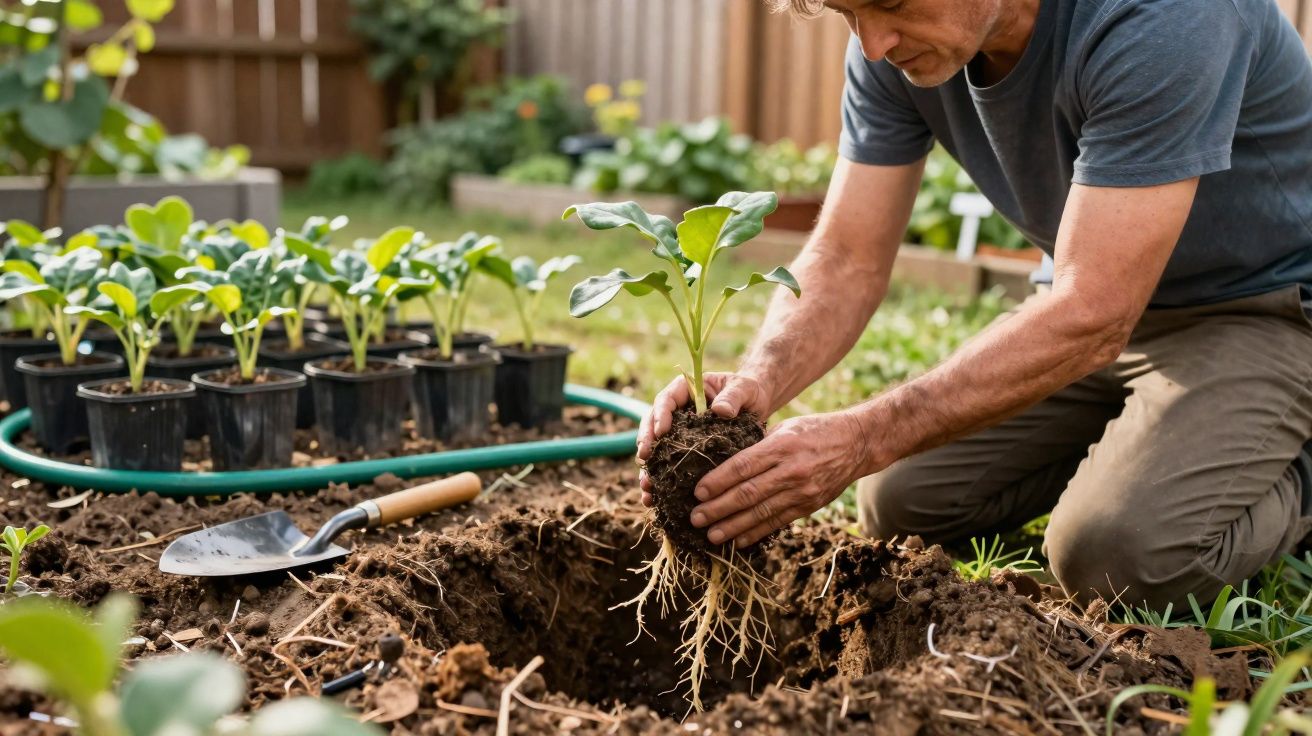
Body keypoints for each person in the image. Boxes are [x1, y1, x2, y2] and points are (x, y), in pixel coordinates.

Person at [636, 0, 1312, 609]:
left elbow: (1094, 311)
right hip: (1091, 311)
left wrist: (864, 434)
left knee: (1114, 557)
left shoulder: (1164, 18)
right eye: (850, 13)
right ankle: (1158, 438)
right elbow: (846, 257)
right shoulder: (892, 49)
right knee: (901, 499)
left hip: (1262, 306)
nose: (872, 42)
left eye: (890, 5)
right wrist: (758, 381)